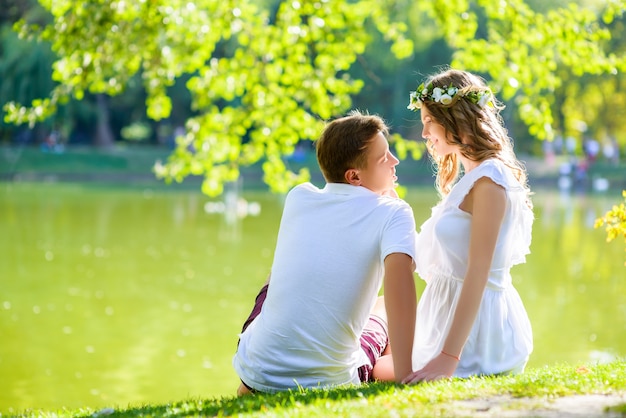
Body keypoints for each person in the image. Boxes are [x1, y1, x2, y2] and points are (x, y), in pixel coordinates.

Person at [233, 110, 418, 394]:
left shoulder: (299, 197)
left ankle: (254, 383)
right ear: (354, 175)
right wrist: (406, 373)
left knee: (274, 282)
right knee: (382, 306)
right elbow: (400, 291)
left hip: (257, 366)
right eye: (384, 159)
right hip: (331, 379)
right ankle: (389, 365)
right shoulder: (394, 213)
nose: (395, 161)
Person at [403, 68, 534, 383]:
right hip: (446, 319)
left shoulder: (490, 181)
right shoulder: (474, 178)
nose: (424, 134)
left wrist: (447, 359)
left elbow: (479, 271)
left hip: (478, 337)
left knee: (370, 367)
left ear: (453, 120)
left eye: (427, 122)